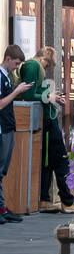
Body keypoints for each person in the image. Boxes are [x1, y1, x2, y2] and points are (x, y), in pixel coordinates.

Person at [22, 47, 74, 214]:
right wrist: (49, 97)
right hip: (46, 120)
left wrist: (51, 96)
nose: (46, 68)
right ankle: (66, 201)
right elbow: (29, 94)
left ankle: (45, 199)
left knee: (48, 161)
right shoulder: (32, 66)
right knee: (59, 159)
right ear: (44, 59)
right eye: (47, 64)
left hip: (45, 119)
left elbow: (34, 92)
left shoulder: (32, 66)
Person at [0, 45, 34, 224]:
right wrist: (17, 92)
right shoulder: (0, 77)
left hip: (7, 127)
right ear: (8, 59)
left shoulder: (6, 77)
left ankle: (3, 208)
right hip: (2, 128)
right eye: (16, 63)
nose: (17, 67)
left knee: (2, 170)